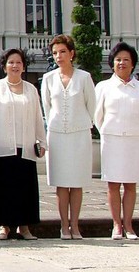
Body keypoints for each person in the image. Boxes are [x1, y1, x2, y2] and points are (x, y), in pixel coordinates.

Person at [0, 48, 46, 241]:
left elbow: (37, 116)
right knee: (5, 189)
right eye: (11, 62)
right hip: (3, 147)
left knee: (25, 189)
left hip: (25, 146)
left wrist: (41, 140)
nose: (15, 66)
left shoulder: (31, 89)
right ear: (4, 66)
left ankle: (24, 227)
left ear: (23, 66)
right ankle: (4, 226)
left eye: (18, 62)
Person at [94, 42, 139, 240]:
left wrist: (134, 130)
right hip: (112, 139)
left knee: (130, 184)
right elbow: (98, 116)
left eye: (126, 60)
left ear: (133, 64)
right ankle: (116, 225)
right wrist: (109, 131)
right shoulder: (103, 87)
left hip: (133, 140)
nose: (122, 63)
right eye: (118, 59)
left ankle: (128, 225)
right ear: (112, 64)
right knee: (113, 184)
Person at [40, 34, 96, 240]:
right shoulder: (48, 78)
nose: (58, 56)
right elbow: (47, 107)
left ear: (71, 53)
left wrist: (81, 124)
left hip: (79, 134)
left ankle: (76, 225)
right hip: (57, 135)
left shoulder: (84, 77)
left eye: (63, 52)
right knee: (61, 182)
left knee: (77, 181)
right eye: (55, 53)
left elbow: (92, 107)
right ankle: (64, 226)